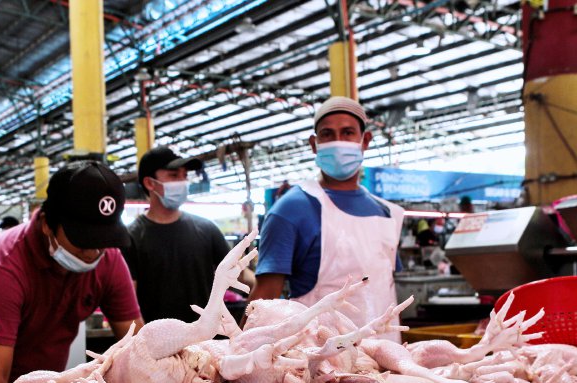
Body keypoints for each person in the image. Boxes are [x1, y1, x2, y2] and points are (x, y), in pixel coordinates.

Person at [0, 161, 143, 383]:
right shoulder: (1, 266)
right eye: (82, 240)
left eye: (103, 240)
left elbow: (135, 347)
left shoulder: (108, 258)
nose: (92, 253)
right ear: (47, 224)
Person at [247, 96, 404, 341]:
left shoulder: (388, 213)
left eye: (348, 132)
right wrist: (236, 353)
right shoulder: (290, 210)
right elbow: (264, 300)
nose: (338, 142)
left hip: (387, 353)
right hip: (320, 356)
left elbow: (383, 288)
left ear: (365, 141)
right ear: (314, 144)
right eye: (327, 134)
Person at [123, 146, 230, 323]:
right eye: (174, 175)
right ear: (150, 183)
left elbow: (239, 273)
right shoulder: (131, 237)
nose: (182, 182)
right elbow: (127, 303)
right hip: (158, 338)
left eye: (185, 175)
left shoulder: (207, 229)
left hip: (207, 336)